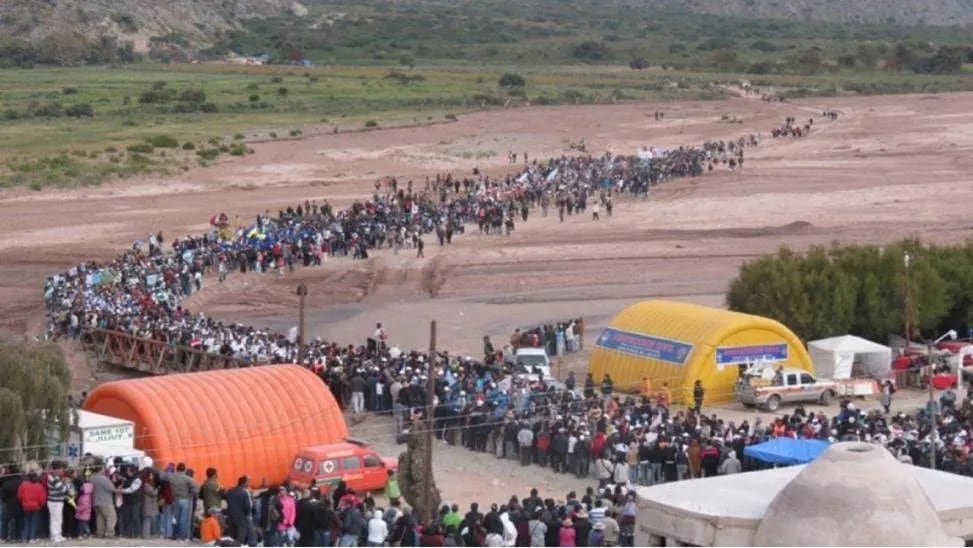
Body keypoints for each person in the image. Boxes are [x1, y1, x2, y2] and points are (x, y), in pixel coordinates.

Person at [17, 473, 46, 543]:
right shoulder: (39, 486)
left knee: (27, 522)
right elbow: (42, 498)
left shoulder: (23, 485)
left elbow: (19, 496)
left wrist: (22, 503)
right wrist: (42, 505)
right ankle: (32, 538)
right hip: (36, 506)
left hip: (25, 506)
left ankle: (24, 538)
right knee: (34, 523)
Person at [47, 462, 69, 543]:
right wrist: (66, 484)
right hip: (54, 502)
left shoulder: (57, 477)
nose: (62, 471)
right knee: (55, 519)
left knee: (59, 519)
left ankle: (58, 535)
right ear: (55, 469)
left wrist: (64, 483)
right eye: (60, 469)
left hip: (59, 501)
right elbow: (63, 489)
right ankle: (54, 536)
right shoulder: (52, 477)